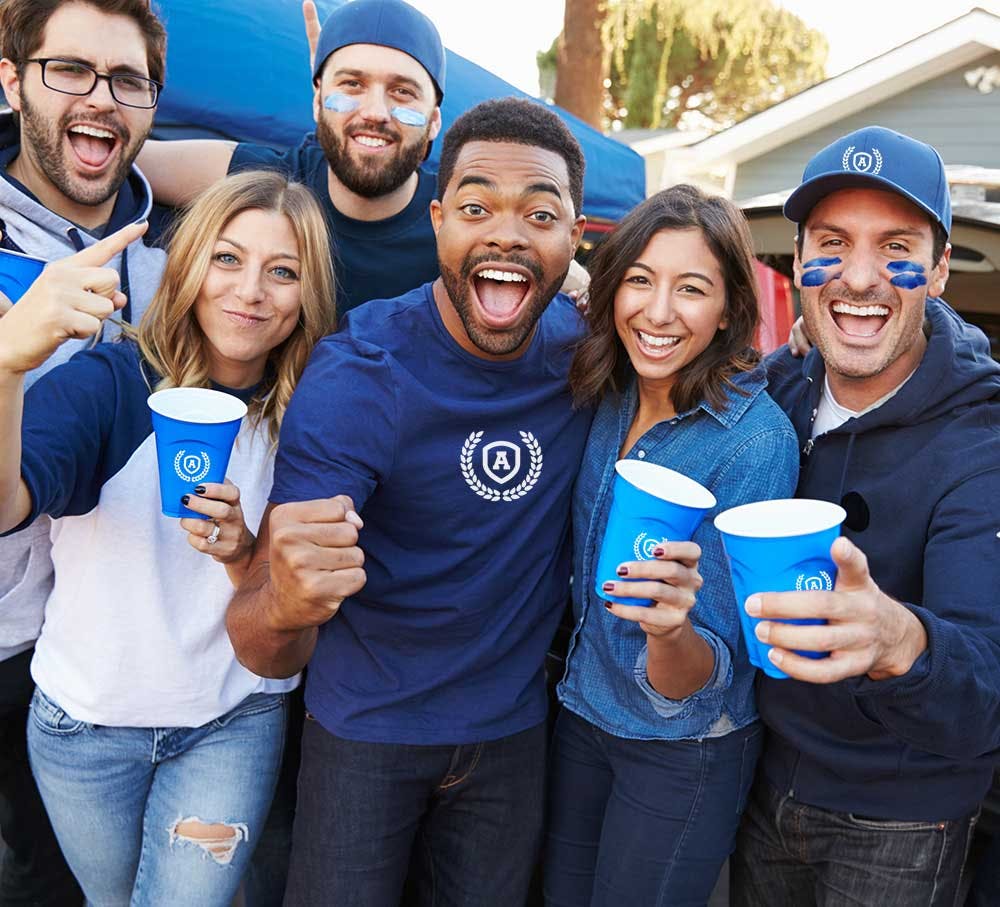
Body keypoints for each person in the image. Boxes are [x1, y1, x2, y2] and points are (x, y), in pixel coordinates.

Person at [224, 97, 589, 906]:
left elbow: (710, 345)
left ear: (574, 236)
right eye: (474, 207)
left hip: (513, 736)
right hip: (365, 731)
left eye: (539, 214)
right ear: (437, 222)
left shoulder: (589, 353)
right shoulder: (361, 369)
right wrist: (286, 595)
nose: (505, 233)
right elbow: (258, 641)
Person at [0, 169, 336, 906]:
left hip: (231, 720)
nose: (251, 290)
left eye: (283, 272)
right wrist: (6, 366)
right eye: (227, 258)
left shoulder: (313, 415)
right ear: (186, 265)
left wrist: (246, 552)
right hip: (84, 727)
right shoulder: (110, 384)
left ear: (307, 295)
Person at [730, 125, 1000, 906]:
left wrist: (899, 639)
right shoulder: (774, 396)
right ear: (798, 259)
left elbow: (986, 693)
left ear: (940, 269)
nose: (858, 278)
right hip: (764, 780)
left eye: (896, 248)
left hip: (904, 818)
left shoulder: (980, 440)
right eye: (832, 242)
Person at [542, 185, 798, 905]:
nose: (657, 312)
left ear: (728, 311)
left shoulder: (754, 442)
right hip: (582, 711)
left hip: (684, 748)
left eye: (691, 288)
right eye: (641, 280)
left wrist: (670, 626)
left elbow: (713, 670)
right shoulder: (610, 385)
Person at [0, 1, 167, 902]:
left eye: (127, 79)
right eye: (69, 70)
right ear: (11, 77)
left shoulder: (178, 250)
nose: (101, 98)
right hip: (15, 648)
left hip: (146, 652)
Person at [137, 0, 444, 313]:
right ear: (316, 103)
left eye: (402, 92)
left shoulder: (460, 221)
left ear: (434, 121)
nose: (375, 112)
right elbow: (122, 156)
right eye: (352, 84)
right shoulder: (271, 182)